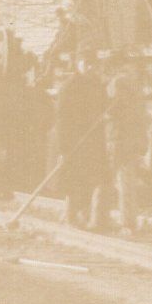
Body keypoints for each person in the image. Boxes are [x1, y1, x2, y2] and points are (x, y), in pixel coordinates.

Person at [54, 51, 107, 228]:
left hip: (93, 140)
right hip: (74, 141)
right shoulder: (69, 86)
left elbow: (104, 107)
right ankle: (70, 216)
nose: (90, 67)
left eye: (93, 64)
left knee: (91, 179)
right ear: (78, 64)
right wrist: (63, 147)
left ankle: (85, 215)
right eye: (86, 63)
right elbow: (62, 118)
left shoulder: (97, 85)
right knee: (73, 179)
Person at [105, 59, 148, 231]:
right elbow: (141, 119)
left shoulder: (118, 86)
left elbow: (111, 111)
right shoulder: (135, 91)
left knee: (115, 181)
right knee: (125, 182)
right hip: (125, 140)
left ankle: (115, 219)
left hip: (118, 140)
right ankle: (128, 221)